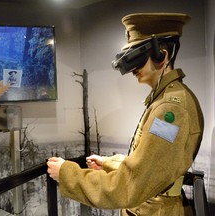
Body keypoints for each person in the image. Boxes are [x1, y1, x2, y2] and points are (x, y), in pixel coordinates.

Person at [47, 13, 204, 216]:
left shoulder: (170, 110)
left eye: (137, 59)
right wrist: (108, 163)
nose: (132, 70)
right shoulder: (165, 99)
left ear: (161, 56)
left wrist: (67, 174)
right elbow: (153, 164)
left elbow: (133, 184)